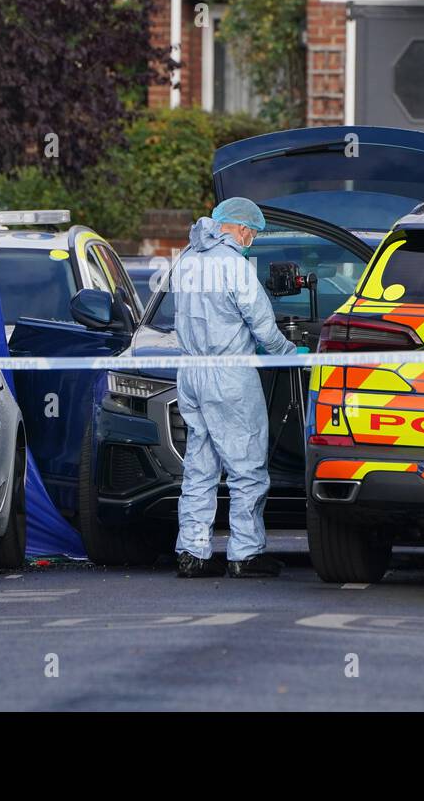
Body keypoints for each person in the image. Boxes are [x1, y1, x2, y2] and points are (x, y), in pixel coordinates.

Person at [173, 197, 308, 578]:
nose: (252, 238)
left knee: (200, 465)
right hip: (229, 374)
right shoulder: (234, 266)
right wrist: (288, 352)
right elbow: (263, 326)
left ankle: (193, 551)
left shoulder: (187, 259)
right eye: (253, 232)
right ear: (242, 228)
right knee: (246, 464)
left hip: (191, 372)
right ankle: (245, 553)